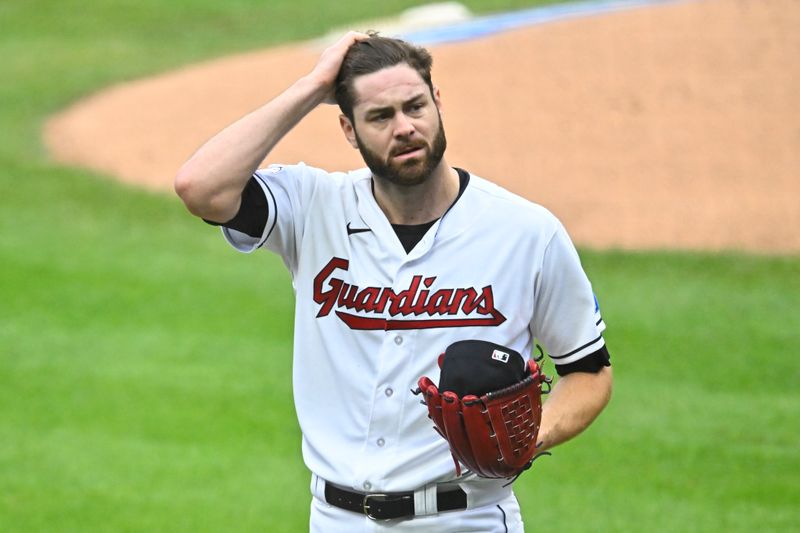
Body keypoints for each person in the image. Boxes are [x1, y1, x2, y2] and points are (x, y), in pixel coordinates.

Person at [175, 31, 613, 533]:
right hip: (336, 520)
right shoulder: (314, 207)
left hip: (466, 521)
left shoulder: (526, 232)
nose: (404, 127)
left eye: (415, 107)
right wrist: (312, 86)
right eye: (380, 117)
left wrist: (529, 437)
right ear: (348, 127)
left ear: (438, 103)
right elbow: (200, 187)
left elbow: (589, 370)